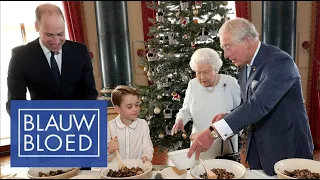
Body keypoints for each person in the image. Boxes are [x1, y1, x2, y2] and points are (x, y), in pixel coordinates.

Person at [187, 18, 314, 176]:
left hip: (287, 149)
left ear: (246, 41)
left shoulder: (280, 62)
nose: (225, 55)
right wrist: (230, 115)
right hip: (261, 151)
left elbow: (258, 105)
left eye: (228, 47)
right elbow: (249, 102)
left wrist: (213, 132)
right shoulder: (248, 65)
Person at [6, 3, 98, 114]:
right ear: (37, 27)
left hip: (79, 123)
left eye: (60, 34)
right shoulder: (20, 56)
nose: (56, 41)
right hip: (41, 125)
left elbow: (90, 94)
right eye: (49, 35)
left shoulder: (80, 51)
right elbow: (15, 104)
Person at [171, 48, 241, 160]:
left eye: (206, 72)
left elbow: (240, 113)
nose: (202, 77)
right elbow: (186, 110)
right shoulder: (193, 85)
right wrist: (180, 120)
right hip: (199, 144)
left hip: (224, 146)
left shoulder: (230, 83)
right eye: (198, 73)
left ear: (215, 69)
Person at [107, 85, 154, 163]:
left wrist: (146, 156)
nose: (135, 109)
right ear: (118, 109)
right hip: (116, 172)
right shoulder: (109, 127)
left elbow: (148, 148)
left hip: (137, 170)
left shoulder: (143, 124)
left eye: (137, 105)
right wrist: (109, 151)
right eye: (129, 107)